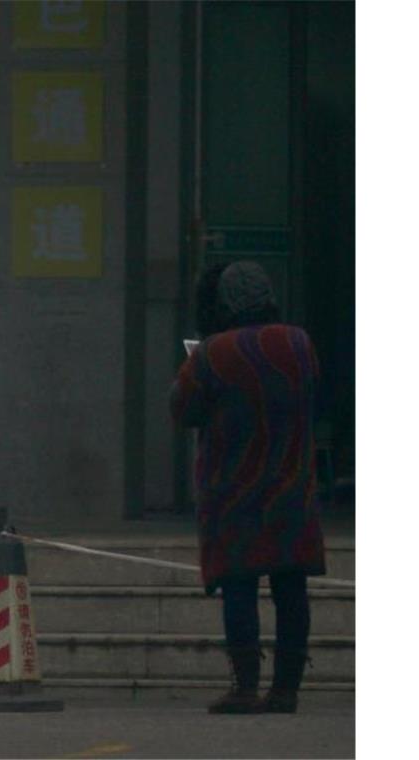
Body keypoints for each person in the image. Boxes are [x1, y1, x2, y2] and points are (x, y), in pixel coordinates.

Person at [170, 260, 327, 714]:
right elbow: (315, 392)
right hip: (291, 488)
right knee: (290, 589)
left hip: (233, 491)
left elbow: (182, 410)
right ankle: (287, 689)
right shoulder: (299, 343)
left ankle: (244, 686)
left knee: (239, 587)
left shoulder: (212, 353)